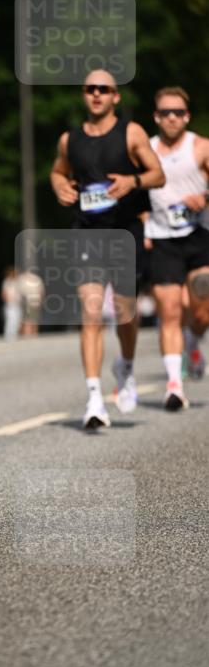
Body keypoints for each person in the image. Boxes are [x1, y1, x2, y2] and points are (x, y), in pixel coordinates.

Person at [50, 69, 165, 429]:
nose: (97, 94)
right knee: (92, 312)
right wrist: (59, 187)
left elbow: (158, 174)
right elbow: (57, 172)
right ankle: (95, 398)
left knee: (126, 313)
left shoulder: (131, 133)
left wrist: (133, 180)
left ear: (116, 96)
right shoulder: (70, 139)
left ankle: (126, 367)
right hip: (87, 233)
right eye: (90, 89)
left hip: (125, 232)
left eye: (104, 89)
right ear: (84, 95)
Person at [146, 86, 209, 409]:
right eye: (166, 112)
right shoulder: (145, 150)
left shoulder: (201, 148)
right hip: (162, 237)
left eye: (179, 112)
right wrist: (143, 222)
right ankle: (174, 385)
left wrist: (205, 198)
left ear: (188, 116)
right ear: (156, 117)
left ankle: (195, 339)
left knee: (200, 310)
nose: (172, 117)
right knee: (169, 310)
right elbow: (134, 192)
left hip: (199, 236)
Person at [1, 266, 21, 339]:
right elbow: (4, 293)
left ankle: (14, 334)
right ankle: (8, 335)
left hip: (17, 303)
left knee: (17, 319)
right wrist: (8, 300)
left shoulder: (17, 281)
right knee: (10, 319)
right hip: (10, 303)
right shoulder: (7, 281)